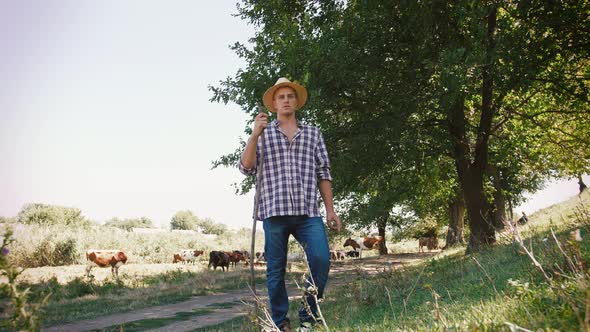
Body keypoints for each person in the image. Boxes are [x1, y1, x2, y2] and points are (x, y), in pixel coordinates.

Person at [239, 77, 342, 331]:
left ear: (296, 102)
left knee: (320, 259)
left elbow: (324, 173)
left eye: (290, 96)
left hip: (308, 212)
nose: (286, 100)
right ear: (273, 104)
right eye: (281, 97)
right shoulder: (262, 135)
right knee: (275, 270)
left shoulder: (313, 134)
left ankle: (308, 315)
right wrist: (254, 135)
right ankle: (280, 322)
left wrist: (330, 210)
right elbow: (246, 167)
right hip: (274, 211)